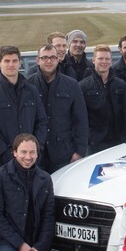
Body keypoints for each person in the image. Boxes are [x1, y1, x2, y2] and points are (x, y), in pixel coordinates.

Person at [0, 133, 63, 251]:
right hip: (7, 241)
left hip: (35, 242)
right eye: (23, 152)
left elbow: (49, 218)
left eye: (32, 152)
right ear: (14, 152)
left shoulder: (45, 179)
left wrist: (40, 248)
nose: (28, 157)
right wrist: (20, 245)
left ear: (37, 153)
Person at [0, 46, 47, 175]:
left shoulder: (31, 91)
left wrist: (36, 147)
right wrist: (2, 150)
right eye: (7, 61)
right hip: (1, 162)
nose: (11, 65)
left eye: (14, 61)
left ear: (20, 63)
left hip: (31, 161)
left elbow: (41, 121)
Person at [28, 44, 89, 173]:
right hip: (35, 154)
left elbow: (81, 120)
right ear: (37, 60)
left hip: (64, 154)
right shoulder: (28, 86)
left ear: (58, 59)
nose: (49, 61)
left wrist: (79, 151)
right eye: (44, 57)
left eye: (52, 57)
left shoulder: (71, 85)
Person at [80, 44, 126, 154]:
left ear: (111, 61)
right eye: (100, 58)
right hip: (94, 144)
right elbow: (80, 117)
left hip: (118, 141)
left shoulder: (120, 85)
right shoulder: (83, 86)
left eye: (107, 59)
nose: (104, 62)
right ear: (93, 60)